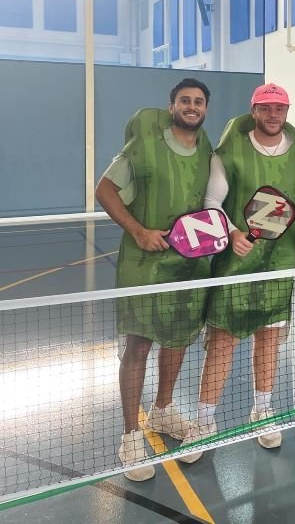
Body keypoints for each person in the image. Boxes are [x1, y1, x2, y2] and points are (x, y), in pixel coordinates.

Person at [179, 83, 295, 461]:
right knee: (223, 341)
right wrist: (233, 232)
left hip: (279, 261)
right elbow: (212, 202)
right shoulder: (229, 152)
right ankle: (204, 422)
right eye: (265, 108)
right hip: (235, 263)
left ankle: (262, 412)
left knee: (269, 340)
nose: (273, 115)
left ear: (286, 112)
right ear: (254, 111)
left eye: (279, 109)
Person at [95, 78, 213, 481]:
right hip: (144, 263)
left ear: (205, 109)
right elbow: (105, 189)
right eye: (185, 100)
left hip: (188, 264)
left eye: (198, 102)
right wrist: (138, 230)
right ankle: (130, 433)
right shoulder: (144, 145)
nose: (191, 107)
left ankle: (163, 411)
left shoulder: (206, 152)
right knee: (138, 345)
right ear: (172, 105)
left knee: (178, 339)